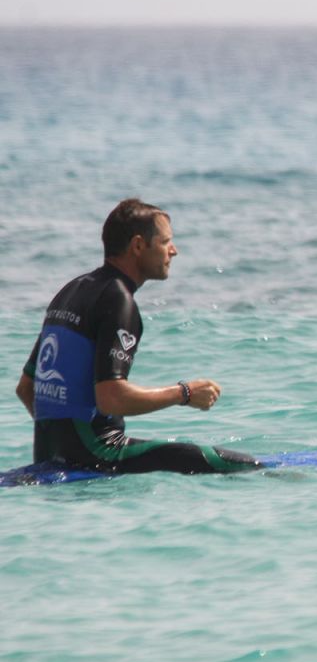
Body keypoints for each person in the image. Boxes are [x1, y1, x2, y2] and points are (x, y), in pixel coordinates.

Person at [14, 198, 261, 473]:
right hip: (99, 456)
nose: (174, 250)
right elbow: (111, 398)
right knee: (234, 465)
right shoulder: (118, 299)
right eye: (165, 242)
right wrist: (185, 393)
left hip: (50, 456)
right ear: (139, 246)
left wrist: (63, 444)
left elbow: (26, 388)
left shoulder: (71, 290)